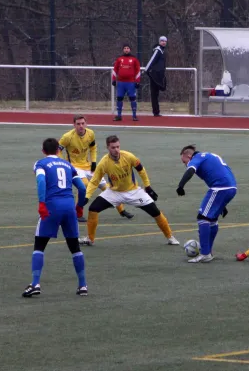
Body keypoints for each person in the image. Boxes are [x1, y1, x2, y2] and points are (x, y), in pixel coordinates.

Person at [78, 135, 179, 246]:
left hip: (134, 192)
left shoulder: (129, 156)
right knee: (93, 209)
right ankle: (90, 239)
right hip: (114, 193)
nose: (116, 150)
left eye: (117, 147)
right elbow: (94, 181)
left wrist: (148, 186)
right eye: (113, 147)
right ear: (108, 148)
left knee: (156, 212)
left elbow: (141, 170)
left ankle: (170, 237)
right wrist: (87, 196)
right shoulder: (103, 163)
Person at [23, 138, 88, 297]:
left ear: (43, 151)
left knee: (39, 245)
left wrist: (41, 203)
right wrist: (79, 206)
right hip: (69, 208)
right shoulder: (68, 165)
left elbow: (41, 181)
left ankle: (35, 283)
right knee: (74, 247)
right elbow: (82, 188)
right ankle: (83, 286)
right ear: (59, 150)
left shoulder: (41, 164)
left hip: (52, 206)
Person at [59, 115, 134, 222]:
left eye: (82, 123)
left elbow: (93, 147)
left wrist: (93, 161)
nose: (81, 126)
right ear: (74, 125)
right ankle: (78, 213)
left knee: (107, 187)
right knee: (84, 186)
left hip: (88, 166)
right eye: (78, 124)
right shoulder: (67, 137)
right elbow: (58, 150)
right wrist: (65, 164)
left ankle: (122, 210)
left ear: (86, 124)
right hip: (75, 167)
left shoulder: (90, 133)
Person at [176, 145, 237, 263]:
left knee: (202, 218)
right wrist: (222, 204)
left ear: (188, 155)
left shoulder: (197, 158)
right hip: (231, 187)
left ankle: (205, 253)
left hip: (220, 188)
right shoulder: (208, 155)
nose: (185, 164)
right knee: (212, 219)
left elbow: (190, 170)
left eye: (184, 161)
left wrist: (181, 186)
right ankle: (208, 251)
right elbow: (218, 172)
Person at [112, 43, 141, 122]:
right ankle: (119, 115)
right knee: (119, 98)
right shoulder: (119, 59)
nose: (126, 49)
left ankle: (134, 116)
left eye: (128, 48)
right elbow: (115, 70)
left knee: (132, 98)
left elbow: (138, 70)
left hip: (130, 83)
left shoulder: (134, 59)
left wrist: (137, 81)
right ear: (123, 49)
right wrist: (114, 79)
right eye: (125, 48)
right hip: (121, 83)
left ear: (130, 49)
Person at [144, 36, 168, 117]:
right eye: (162, 41)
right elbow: (151, 61)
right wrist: (148, 71)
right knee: (154, 94)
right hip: (154, 75)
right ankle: (156, 112)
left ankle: (156, 111)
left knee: (157, 93)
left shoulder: (163, 51)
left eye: (165, 41)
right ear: (159, 41)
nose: (163, 42)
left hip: (159, 75)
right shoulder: (158, 50)